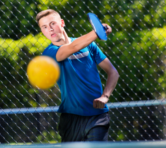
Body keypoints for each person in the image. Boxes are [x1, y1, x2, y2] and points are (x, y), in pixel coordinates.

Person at [35, 9, 119, 142]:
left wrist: (105, 96)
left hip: (98, 116)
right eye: (44, 27)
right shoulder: (49, 53)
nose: (49, 29)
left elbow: (113, 72)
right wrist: (97, 31)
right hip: (70, 118)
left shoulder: (89, 45)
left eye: (52, 24)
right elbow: (73, 47)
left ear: (62, 23)